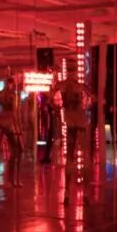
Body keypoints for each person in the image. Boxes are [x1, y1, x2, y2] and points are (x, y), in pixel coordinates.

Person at [52, 66, 92, 204]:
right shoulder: (81, 86)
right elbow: (93, 98)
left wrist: (57, 109)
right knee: (85, 157)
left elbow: (51, 100)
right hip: (80, 121)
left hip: (70, 122)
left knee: (70, 158)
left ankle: (67, 193)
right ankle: (85, 193)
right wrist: (87, 106)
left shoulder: (61, 85)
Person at [0, 76, 24, 187]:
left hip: (1, 120)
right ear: (12, 83)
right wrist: (19, 128)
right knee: (16, 150)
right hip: (10, 122)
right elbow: (15, 112)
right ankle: (12, 179)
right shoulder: (13, 95)